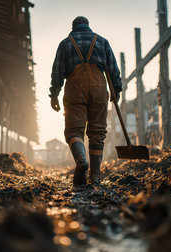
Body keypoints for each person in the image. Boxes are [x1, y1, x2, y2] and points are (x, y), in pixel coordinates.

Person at [49, 16, 122, 186]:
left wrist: (54, 94)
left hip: (74, 88)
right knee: (97, 132)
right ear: (88, 26)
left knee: (74, 130)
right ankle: (95, 177)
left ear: (73, 27)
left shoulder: (65, 44)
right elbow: (113, 68)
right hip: (98, 88)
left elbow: (57, 72)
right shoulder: (102, 42)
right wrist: (116, 89)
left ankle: (81, 161)